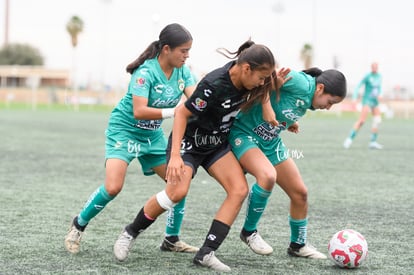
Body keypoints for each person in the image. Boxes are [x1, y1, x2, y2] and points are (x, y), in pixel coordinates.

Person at [113, 39, 277, 272]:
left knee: (239, 190)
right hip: (189, 143)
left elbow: (270, 83)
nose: (263, 82)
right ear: (246, 69)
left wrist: (268, 108)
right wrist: (177, 157)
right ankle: (130, 232)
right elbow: (181, 114)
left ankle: (206, 253)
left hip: (216, 144)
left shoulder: (254, 76)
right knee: (177, 192)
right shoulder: (214, 84)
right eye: (261, 78)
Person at [64, 23, 198, 254]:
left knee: (178, 181)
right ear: (166, 49)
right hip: (124, 131)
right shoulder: (145, 72)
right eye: (183, 50)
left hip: (152, 135)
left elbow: (195, 102)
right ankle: (78, 226)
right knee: (113, 187)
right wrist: (175, 112)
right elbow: (139, 111)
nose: (187, 55)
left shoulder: (183, 72)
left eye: (188, 51)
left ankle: (171, 239)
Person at [228, 67, 347, 259]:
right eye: (330, 102)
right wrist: (267, 101)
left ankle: (297, 245)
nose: (328, 107)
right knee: (267, 177)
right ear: (320, 88)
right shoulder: (301, 82)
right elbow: (265, 75)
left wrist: (286, 121)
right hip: (245, 133)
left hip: (270, 141)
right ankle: (249, 232)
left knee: (300, 193)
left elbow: (282, 99)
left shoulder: (310, 100)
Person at [343, 62, 383, 149]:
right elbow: (358, 86)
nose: (374, 68)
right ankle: (349, 139)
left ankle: (373, 142)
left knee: (377, 120)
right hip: (367, 101)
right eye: (373, 66)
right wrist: (354, 97)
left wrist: (380, 94)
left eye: (376, 66)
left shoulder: (379, 76)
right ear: (371, 67)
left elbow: (379, 88)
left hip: (375, 101)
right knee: (361, 121)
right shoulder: (368, 76)